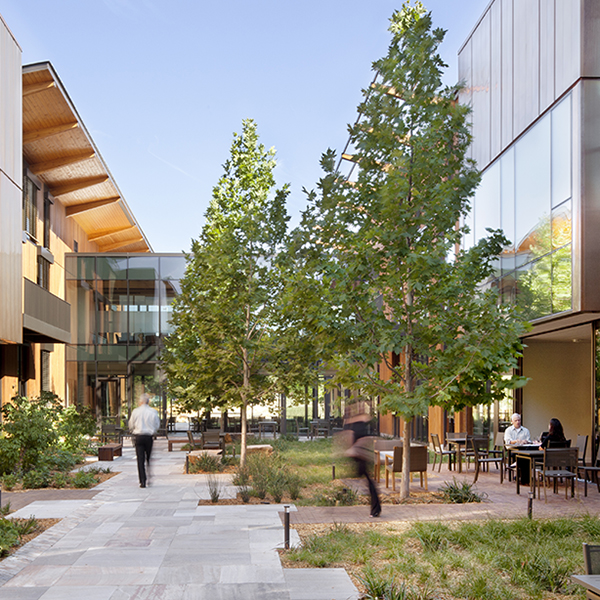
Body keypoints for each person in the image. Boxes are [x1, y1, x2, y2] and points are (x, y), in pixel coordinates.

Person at [343, 402, 381, 518]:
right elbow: (349, 435)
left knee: (368, 481)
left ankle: (375, 509)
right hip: (356, 456)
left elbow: (367, 438)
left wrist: (355, 448)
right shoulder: (351, 421)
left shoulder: (364, 420)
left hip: (361, 456)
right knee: (363, 479)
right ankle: (375, 508)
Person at [129, 393, 160, 488]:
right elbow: (157, 424)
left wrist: (133, 430)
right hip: (148, 437)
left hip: (138, 436)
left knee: (140, 459)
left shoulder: (135, 411)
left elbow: (131, 424)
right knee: (148, 458)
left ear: (140, 401)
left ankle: (142, 481)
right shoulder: (153, 412)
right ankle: (149, 476)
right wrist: (153, 430)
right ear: (148, 401)